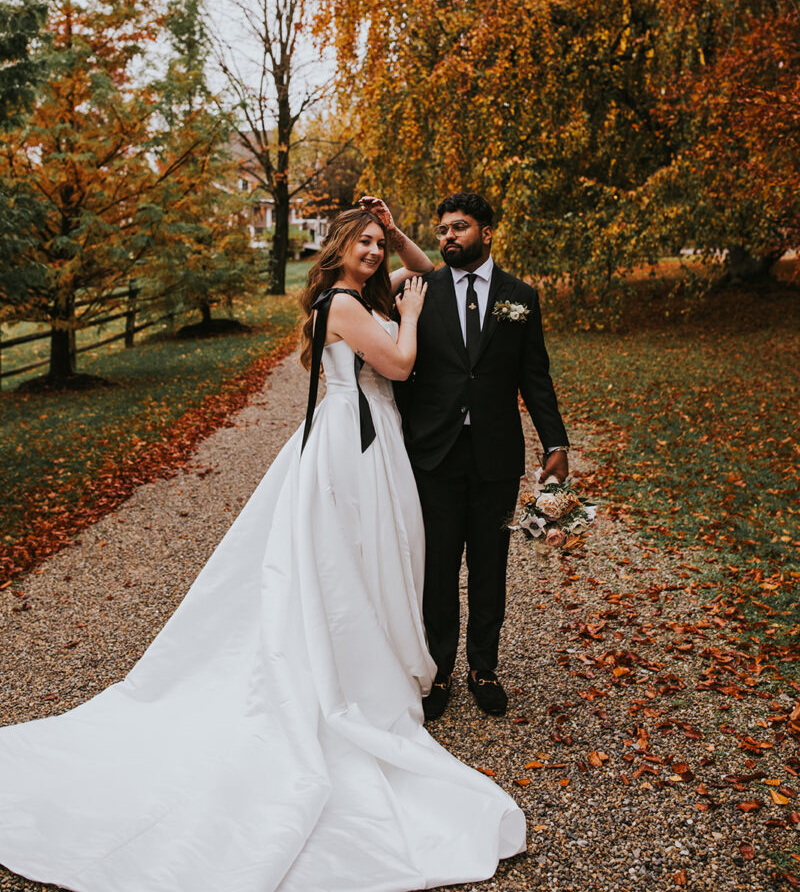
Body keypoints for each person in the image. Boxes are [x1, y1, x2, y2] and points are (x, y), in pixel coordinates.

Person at [0, 207, 525, 892]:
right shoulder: (342, 303)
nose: (372, 253)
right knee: (350, 558)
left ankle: (367, 656)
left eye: (376, 245)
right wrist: (414, 316)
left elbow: (428, 274)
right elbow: (398, 361)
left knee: (363, 558)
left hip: (365, 437)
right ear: (338, 249)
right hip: (354, 447)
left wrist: (396, 237)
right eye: (362, 243)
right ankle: (346, 671)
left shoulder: (355, 297)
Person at [361, 192, 569, 723]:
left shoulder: (519, 296)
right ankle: (440, 670)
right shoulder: (418, 291)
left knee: (490, 565)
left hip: (496, 456)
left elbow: (535, 376)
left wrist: (556, 443)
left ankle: (484, 668)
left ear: (487, 232)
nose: (448, 236)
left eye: (460, 227)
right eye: (443, 229)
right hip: (434, 454)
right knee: (436, 568)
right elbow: (401, 373)